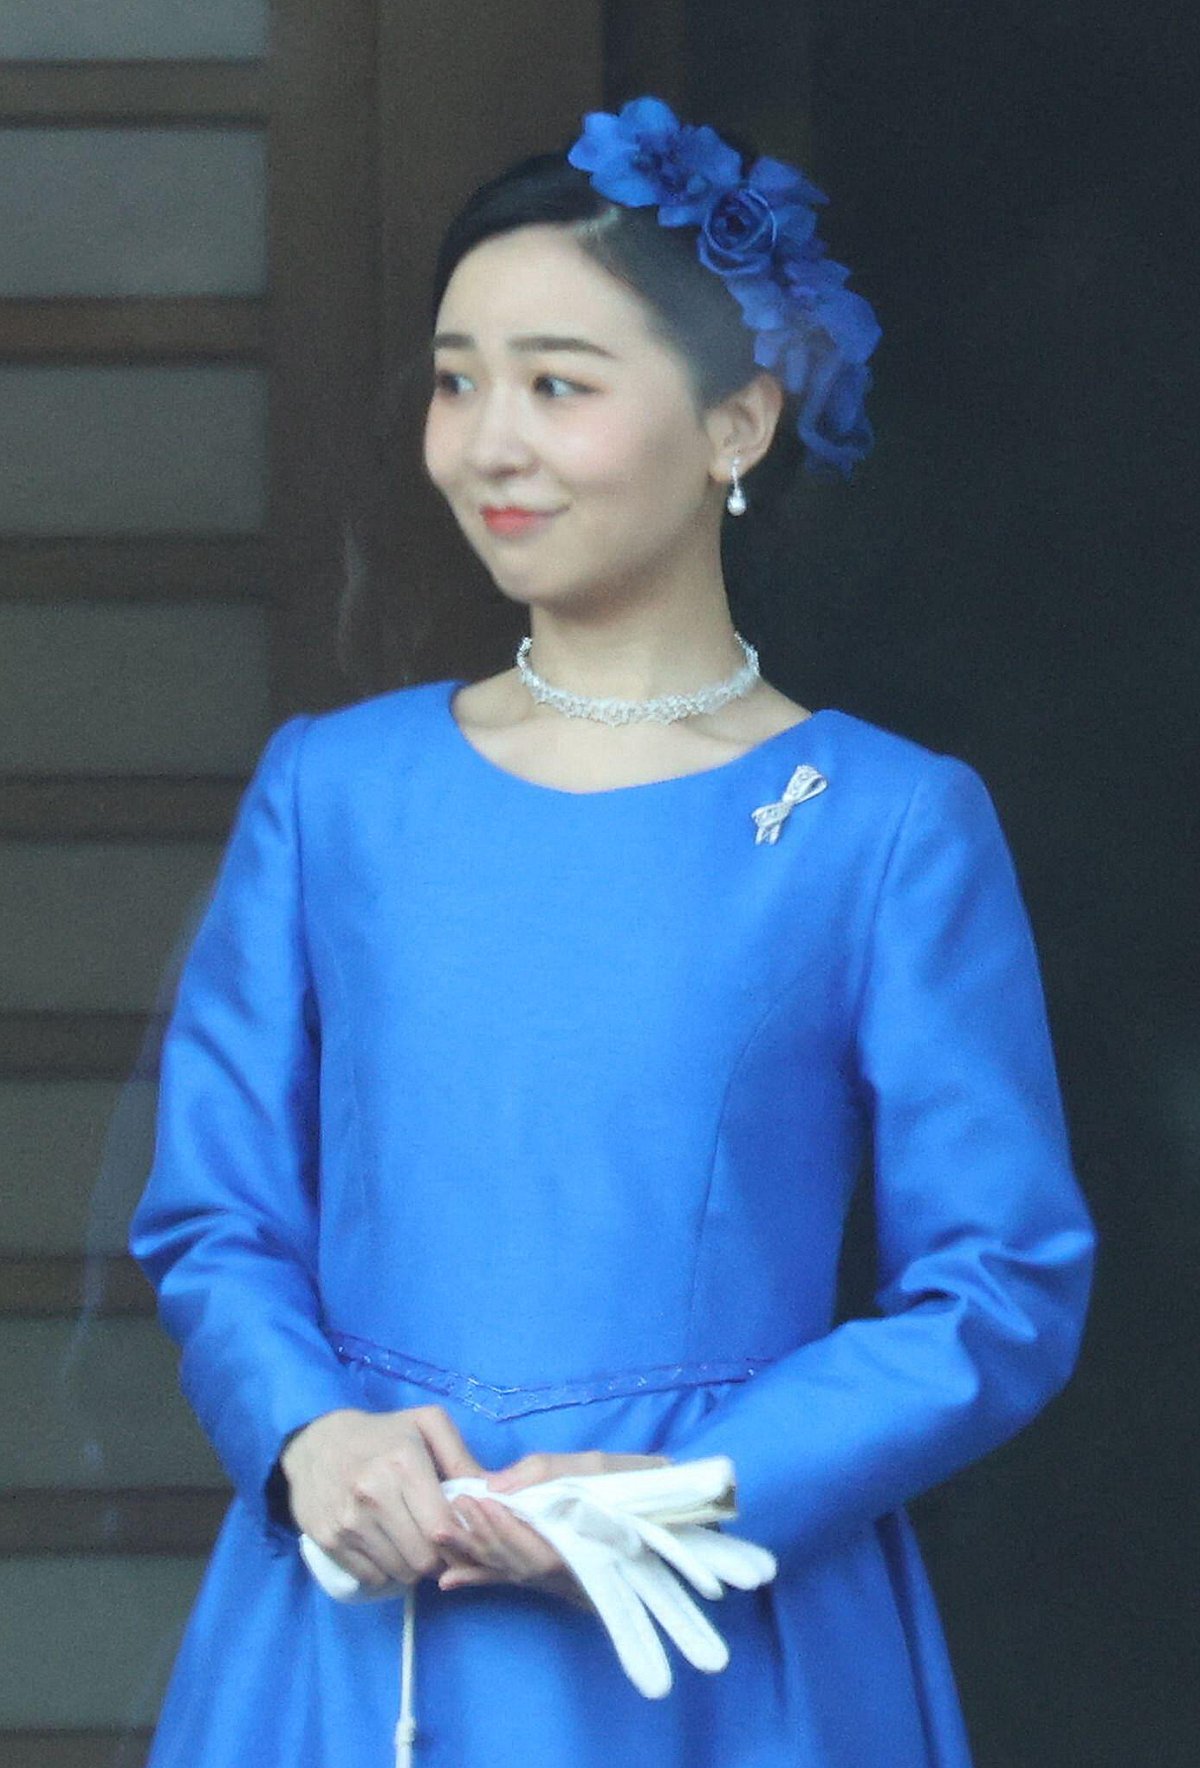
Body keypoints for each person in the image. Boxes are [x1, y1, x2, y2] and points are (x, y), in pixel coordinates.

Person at [128, 96, 1098, 1767]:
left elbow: (1000, 1280)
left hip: (716, 1617)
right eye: (457, 379)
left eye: (559, 385)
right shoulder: (331, 794)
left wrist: (701, 1490)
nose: (486, 441)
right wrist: (310, 1442)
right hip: (364, 1620)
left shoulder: (879, 823)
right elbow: (215, 1214)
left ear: (737, 421)